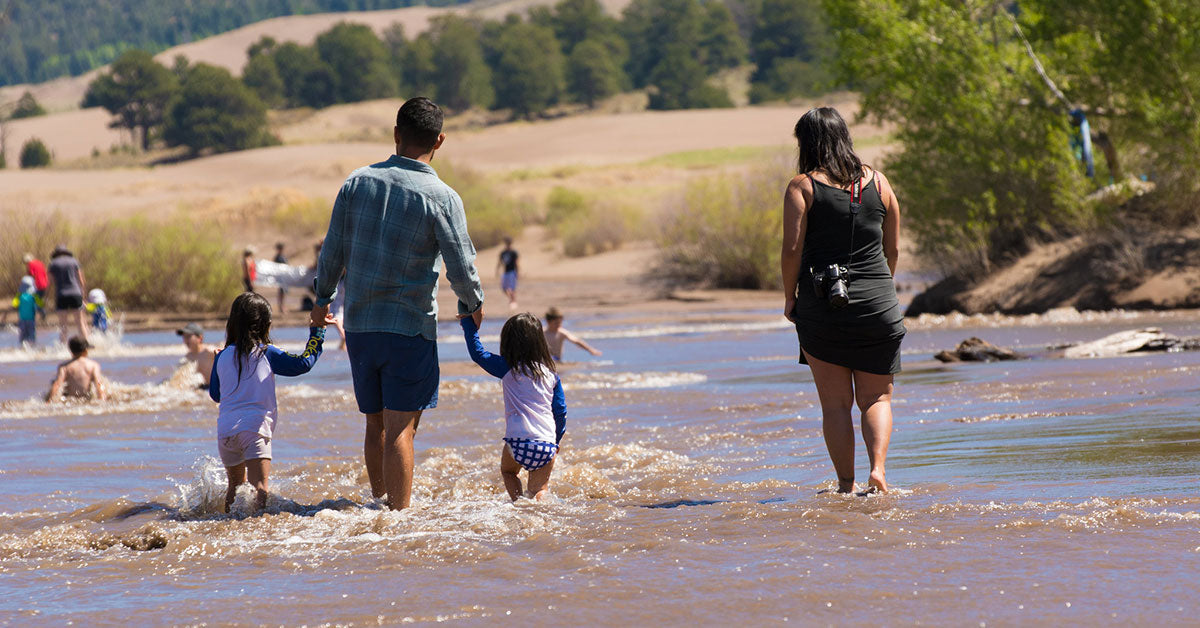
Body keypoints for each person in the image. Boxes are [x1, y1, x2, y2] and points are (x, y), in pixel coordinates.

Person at [311, 96, 484, 511]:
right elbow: (460, 264)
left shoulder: (357, 183)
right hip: (409, 327)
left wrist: (322, 300)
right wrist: (472, 303)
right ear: (439, 141)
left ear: (395, 134)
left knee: (375, 425)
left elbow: (332, 250)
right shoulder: (442, 197)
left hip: (361, 326)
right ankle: (397, 522)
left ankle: (377, 507)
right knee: (402, 429)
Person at [781, 107, 906, 495]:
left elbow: (791, 252)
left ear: (808, 143)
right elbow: (894, 247)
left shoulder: (802, 187)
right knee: (877, 396)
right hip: (879, 305)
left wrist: (790, 299)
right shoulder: (880, 181)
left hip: (823, 306)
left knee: (836, 406)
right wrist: (880, 290)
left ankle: (845, 485)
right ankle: (879, 472)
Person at [209, 292, 331, 512]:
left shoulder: (221, 356)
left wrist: (216, 364)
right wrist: (318, 331)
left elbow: (216, 395)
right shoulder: (266, 353)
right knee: (259, 491)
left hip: (225, 432)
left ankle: (225, 529)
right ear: (266, 325)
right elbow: (303, 363)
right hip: (254, 431)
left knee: (234, 488)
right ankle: (255, 534)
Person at [462, 312, 566, 501]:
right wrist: (556, 442)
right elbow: (560, 412)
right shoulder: (551, 375)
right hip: (547, 444)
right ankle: (542, 503)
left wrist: (468, 323)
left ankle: (518, 504)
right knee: (539, 490)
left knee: (509, 472)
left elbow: (478, 354)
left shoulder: (507, 367)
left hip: (517, 443)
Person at [47, 245, 88, 344]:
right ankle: (86, 345)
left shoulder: (53, 264)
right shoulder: (74, 261)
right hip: (75, 294)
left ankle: (62, 346)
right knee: (80, 322)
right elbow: (81, 281)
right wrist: (84, 296)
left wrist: (46, 297)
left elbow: (50, 282)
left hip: (61, 295)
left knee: (63, 324)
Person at [46, 336, 106, 402]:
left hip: (71, 400)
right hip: (86, 400)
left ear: (71, 351)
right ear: (85, 351)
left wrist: (49, 401)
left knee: (53, 382)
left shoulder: (64, 367)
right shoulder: (93, 365)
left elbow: (57, 384)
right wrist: (102, 399)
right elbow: (98, 383)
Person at [177, 322, 218, 389]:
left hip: (215, 388)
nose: (186, 340)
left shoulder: (210, 351)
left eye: (188, 336)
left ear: (200, 338)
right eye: (184, 337)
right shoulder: (188, 357)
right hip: (203, 388)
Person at [12, 276, 43, 348]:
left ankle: (22, 348)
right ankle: (31, 348)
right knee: (31, 334)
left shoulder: (19, 295)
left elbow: (14, 304)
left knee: (22, 335)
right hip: (31, 319)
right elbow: (41, 304)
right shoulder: (34, 295)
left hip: (22, 319)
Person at [23, 253, 48, 321]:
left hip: (37, 285)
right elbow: (44, 273)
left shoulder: (30, 264)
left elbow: (31, 275)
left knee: (33, 300)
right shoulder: (40, 263)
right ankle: (42, 314)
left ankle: (39, 314)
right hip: (44, 283)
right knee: (38, 300)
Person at [496, 237, 519, 310]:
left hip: (512, 272)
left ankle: (513, 301)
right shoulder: (503, 253)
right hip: (505, 272)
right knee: (504, 288)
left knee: (511, 288)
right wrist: (497, 270)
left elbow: (516, 263)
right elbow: (500, 262)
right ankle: (512, 300)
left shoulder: (514, 253)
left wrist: (518, 273)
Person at [273, 242, 288, 312]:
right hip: (280, 277)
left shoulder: (283, 256)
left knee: (284, 291)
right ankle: (281, 306)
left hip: (284, 276)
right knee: (281, 291)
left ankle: (282, 306)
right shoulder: (277, 257)